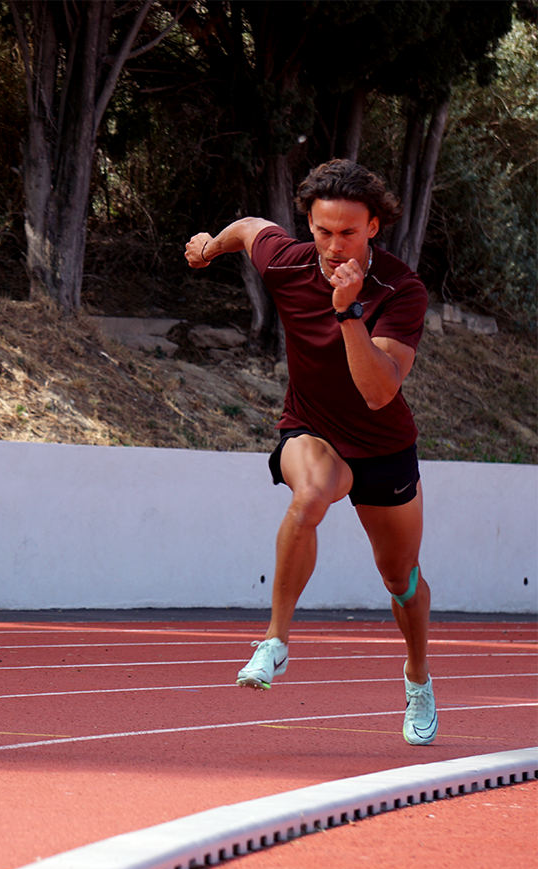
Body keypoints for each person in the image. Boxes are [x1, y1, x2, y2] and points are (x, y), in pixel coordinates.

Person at [184, 158, 437, 746]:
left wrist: (347, 310)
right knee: (314, 493)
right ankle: (274, 641)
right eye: (322, 231)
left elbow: (378, 392)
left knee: (400, 580)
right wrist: (209, 249)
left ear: (374, 226)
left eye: (347, 232)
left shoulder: (401, 291)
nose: (332, 245)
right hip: (313, 428)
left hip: (382, 443)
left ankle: (418, 676)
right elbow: (249, 228)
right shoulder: (291, 261)